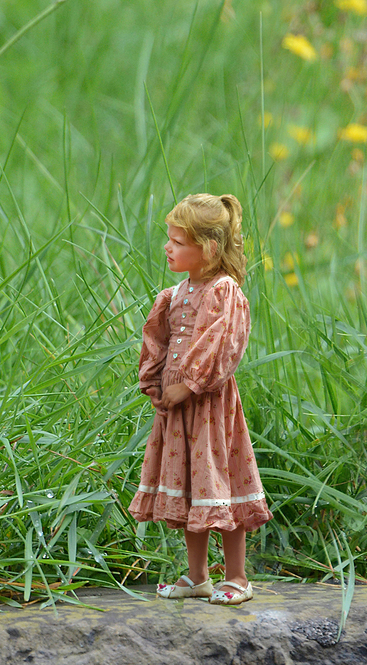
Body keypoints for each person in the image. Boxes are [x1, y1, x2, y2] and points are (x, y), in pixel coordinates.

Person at [128, 193, 271, 605]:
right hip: (176, 409)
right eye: (169, 239)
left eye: (177, 241)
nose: (167, 248)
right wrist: (155, 383)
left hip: (208, 406)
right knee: (191, 488)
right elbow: (157, 340)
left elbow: (222, 343)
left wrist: (188, 384)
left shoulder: (223, 291)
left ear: (207, 248)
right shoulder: (174, 295)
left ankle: (238, 576)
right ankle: (197, 576)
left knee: (217, 483)